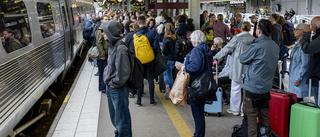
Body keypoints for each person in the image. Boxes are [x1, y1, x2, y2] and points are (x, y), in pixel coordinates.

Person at [240, 19, 279, 137]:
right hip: (266, 87)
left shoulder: (257, 46)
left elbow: (243, 59)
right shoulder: (274, 46)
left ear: (259, 30)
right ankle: (266, 134)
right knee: (264, 115)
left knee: (251, 116)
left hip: (252, 87)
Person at [176, 30, 213, 137]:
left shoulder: (197, 50)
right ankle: (198, 133)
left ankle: (199, 135)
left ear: (194, 40)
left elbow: (195, 67)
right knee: (200, 112)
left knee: (197, 113)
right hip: (204, 84)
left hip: (197, 86)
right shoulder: (205, 49)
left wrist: (183, 67)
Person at [214, 21, 255, 116]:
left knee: (235, 88)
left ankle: (235, 109)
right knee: (247, 90)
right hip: (249, 67)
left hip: (237, 67)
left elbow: (227, 48)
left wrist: (216, 56)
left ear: (241, 28)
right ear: (249, 29)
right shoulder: (253, 39)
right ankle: (244, 110)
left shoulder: (237, 38)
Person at [101, 20, 132, 137]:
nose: (103, 34)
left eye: (104, 32)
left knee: (122, 118)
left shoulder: (120, 48)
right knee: (116, 117)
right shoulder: (112, 46)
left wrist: (114, 83)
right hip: (111, 86)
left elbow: (123, 72)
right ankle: (119, 134)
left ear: (111, 32)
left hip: (117, 88)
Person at [133, 16, 159, 107]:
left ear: (137, 23)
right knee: (150, 79)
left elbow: (133, 50)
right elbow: (156, 47)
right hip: (150, 59)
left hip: (139, 60)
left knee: (139, 79)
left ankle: (138, 101)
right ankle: (152, 100)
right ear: (146, 22)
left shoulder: (135, 35)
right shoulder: (152, 32)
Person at [300, 16, 320, 105]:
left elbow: (307, 49)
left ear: (315, 26)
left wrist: (306, 34)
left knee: (318, 104)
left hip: (317, 77)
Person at [288, 23, 310, 102]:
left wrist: (298, 78)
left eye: (296, 29)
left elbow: (305, 64)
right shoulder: (298, 44)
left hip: (298, 80)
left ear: (303, 31)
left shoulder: (304, 46)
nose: (294, 31)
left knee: (298, 102)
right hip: (294, 77)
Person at [162, 23, 178, 99]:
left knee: (168, 75)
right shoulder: (176, 37)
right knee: (168, 74)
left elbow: (163, 51)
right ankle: (168, 89)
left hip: (167, 59)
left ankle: (171, 91)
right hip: (174, 59)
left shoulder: (166, 39)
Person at [95, 15, 110, 94]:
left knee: (105, 70)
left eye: (108, 19)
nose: (107, 20)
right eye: (105, 19)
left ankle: (104, 86)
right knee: (103, 71)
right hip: (103, 54)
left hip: (107, 53)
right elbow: (99, 43)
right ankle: (102, 87)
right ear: (102, 21)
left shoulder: (106, 29)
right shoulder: (99, 30)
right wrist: (102, 54)